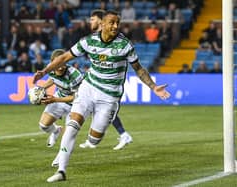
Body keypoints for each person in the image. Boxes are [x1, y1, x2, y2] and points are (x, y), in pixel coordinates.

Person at [33, 10, 170, 182]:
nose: (115, 26)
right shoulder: (88, 41)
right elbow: (65, 57)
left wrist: (154, 87)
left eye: (117, 23)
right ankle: (61, 171)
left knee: (94, 139)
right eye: (112, 22)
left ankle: (92, 130)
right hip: (88, 88)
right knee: (73, 124)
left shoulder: (124, 45)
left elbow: (139, 69)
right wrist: (45, 71)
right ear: (103, 24)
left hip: (109, 97)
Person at [79, 9, 133, 150]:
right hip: (96, 79)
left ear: (99, 21)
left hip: (109, 82)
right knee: (96, 108)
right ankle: (95, 139)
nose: (90, 22)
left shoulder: (111, 37)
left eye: (92, 19)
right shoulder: (93, 38)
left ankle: (123, 134)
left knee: (102, 109)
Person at [36, 49, 84, 148]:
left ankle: (60, 161)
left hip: (75, 105)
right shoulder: (49, 69)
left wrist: (55, 100)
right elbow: (53, 79)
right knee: (43, 126)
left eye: (64, 63)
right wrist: (41, 88)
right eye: (58, 64)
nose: (61, 67)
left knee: (67, 138)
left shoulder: (74, 75)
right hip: (59, 97)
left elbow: (75, 97)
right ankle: (56, 130)